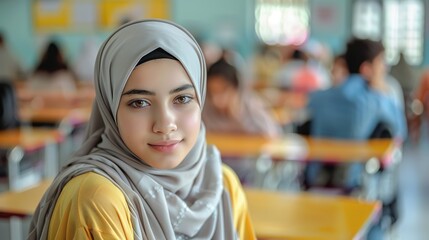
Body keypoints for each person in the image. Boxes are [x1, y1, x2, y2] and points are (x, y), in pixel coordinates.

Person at [27, 19, 256, 240]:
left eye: (183, 98)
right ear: (110, 108)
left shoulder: (221, 184)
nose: (165, 124)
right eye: (139, 102)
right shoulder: (97, 199)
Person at [304, 38, 407, 191]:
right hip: (354, 185)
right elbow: (401, 132)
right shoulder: (378, 101)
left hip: (315, 181)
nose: (385, 68)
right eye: (381, 63)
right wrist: (382, 89)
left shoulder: (318, 97)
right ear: (367, 69)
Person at [203, 57, 282, 138]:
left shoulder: (251, 104)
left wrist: (237, 115)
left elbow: (272, 134)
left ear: (235, 88)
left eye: (223, 90)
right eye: (212, 92)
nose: (216, 99)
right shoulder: (206, 108)